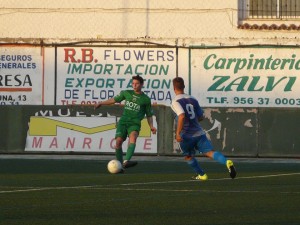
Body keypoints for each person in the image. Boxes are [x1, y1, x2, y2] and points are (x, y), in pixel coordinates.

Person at [171, 77, 236, 180]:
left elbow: (182, 116)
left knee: (188, 156)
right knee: (210, 152)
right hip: (199, 133)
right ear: (184, 86)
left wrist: (178, 133)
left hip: (186, 135)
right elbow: (201, 117)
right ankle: (226, 162)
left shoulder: (175, 101)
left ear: (174, 88)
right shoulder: (193, 99)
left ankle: (202, 175)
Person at [95, 75, 157, 171]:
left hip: (135, 123)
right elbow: (114, 100)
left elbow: (149, 115)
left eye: (136, 83)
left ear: (142, 84)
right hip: (123, 122)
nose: (134, 85)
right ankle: (120, 166)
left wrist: (151, 126)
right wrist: (101, 103)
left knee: (133, 138)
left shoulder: (145, 99)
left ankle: (126, 161)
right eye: (133, 83)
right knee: (118, 142)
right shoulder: (127, 93)